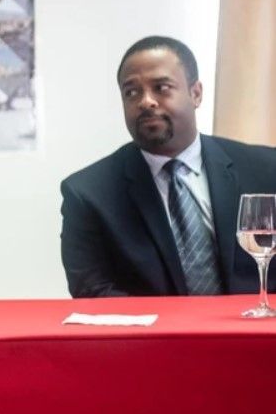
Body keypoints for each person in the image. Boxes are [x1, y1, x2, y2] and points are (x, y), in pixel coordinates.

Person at [60, 36, 276, 298]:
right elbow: (92, 289)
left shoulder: (266, 170)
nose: (146, 101)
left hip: (255, 333)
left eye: (161, 87)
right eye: (131, 92)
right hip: (154, 336)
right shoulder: (88, 193)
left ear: (195, 94)